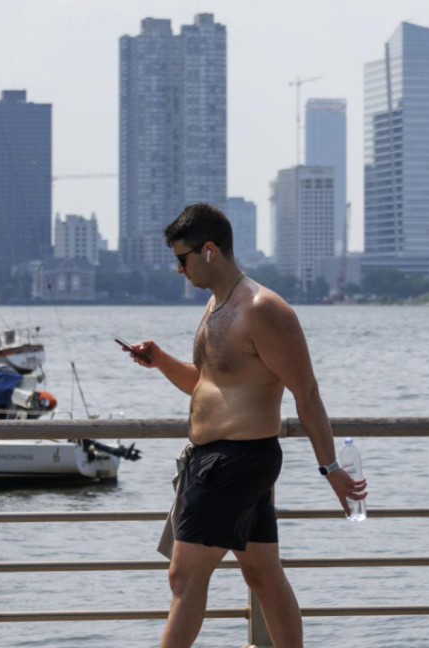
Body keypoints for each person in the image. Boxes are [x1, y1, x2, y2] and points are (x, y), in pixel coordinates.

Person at [124, 203, 367, 648]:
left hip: (234, 462)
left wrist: (330, 468)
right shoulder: (216, 305)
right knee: (261, 574)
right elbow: (205, 386)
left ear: (210, 250)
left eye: (183, 259)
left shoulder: (264, 309)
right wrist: (160, 361)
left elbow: (307, 394)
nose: (179, 269)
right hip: (215, 460)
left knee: (184, 577)